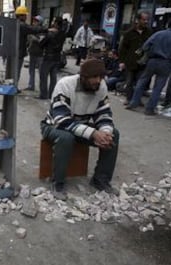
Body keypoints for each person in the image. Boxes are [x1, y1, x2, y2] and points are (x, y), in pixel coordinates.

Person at [40, 59, 119, 200]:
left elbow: (104, 113)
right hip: (54, 125)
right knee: (66, 138)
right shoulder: (65, 85)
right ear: (83, 77)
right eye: (94, 77)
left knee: (114, 134)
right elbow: (62, 120)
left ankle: (100, 180)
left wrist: (105, 133)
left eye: (100, 77)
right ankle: (57, 183)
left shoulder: (101, 87)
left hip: (80, 125)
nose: (98, 81)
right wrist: (93, 133)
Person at [126, 17, 171, 115]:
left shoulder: (158, 33)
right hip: (166, 63)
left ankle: (133, 102)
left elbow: (145, 46)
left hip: (152, 61)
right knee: (158, 87)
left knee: (142, 81)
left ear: (167, 25)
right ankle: (150, 109)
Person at [118, 12, 152, 105]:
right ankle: (129, 99)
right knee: (129, 82)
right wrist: (121, 61)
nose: (146, 21)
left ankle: (136, 99)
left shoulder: (149, 32)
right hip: (130, 62)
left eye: (147, 20)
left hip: (143, 62)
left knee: (140, 83)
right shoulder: (129, 33)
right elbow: (122, 49)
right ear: (138, 20)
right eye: (144, 19)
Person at [15, 6, 46, 89]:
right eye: (25, 15)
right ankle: (14, 87)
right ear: (21, 16)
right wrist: (46, 29)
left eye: (36, 21)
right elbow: (32, 30)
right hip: (19, 52)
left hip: (34, 53)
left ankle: (16, 87)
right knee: (16, 72)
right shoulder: (23, 25)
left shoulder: (14, 23)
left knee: (15, 71)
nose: (26, 17)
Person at [38, 17, 66, 100]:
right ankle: (52, 94)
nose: (52, 22)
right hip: (57, 58)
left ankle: (43, 95)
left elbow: (41, 44)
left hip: (48, 57)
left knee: (43, 76)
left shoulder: (50, 33)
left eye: (54, 21)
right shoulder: (63, 34)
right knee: (53, 77)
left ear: (57, 23)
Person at [25, 15, 44, 91]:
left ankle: (42, 88)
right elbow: (29, 41)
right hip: (32, 52)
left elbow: (42, 41)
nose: (34, 22)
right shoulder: (32, 30)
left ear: (40, 23)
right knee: (31, 70)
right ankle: (31, 86)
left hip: (40, 54)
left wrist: (34, 38)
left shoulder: (42, 30)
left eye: (36, 21)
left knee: (41, 72)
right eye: (34, 21)